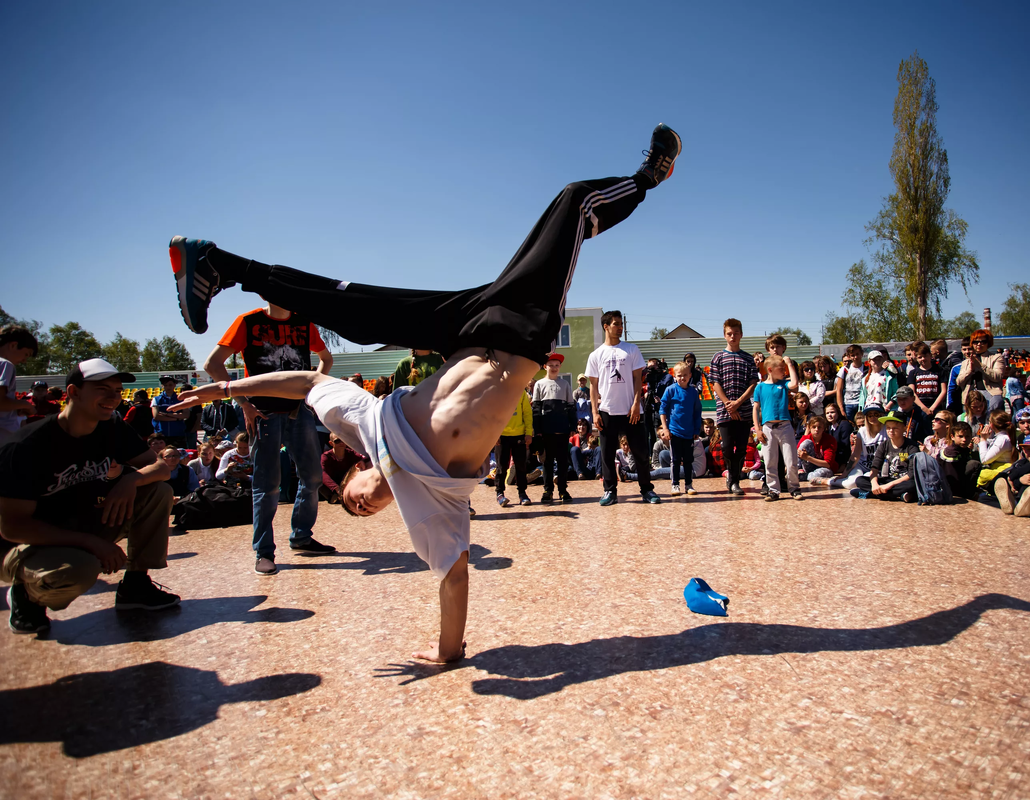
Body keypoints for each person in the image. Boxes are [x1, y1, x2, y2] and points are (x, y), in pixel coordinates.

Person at [166, 123, 682, 660]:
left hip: (465, 328)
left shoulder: (364, 423)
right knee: (574, 204)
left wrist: (223, 388)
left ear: (355, 471)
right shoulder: (430, 507)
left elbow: (306, 381)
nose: (365, 503)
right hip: (519, 332)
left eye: (353, 497)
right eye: (365, 513)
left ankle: (218, 265)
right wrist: (448, 653)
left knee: (355, 308)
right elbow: (455, 577)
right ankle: (651, 176)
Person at [0, 358, 180, 635]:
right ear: (73, 392)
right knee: (78, 571)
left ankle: (136, 586)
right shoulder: (26, 446)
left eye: (118, 390)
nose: (113, 397)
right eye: (103, 388)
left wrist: (132, 479)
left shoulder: (112, 427)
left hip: (83, 522)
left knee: (157, 490)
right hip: (29, 542)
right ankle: (27, 594)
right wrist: (92, 543)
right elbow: (13, 527)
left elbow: (160, 468)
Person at [204, 298, 337, 575]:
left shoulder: (303, 321)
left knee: (312, 476)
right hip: (263, 412)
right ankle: (263, 552)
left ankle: (301, 536)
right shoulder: (248, 322)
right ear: (264, 294)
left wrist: (311, 393)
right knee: (267, 485)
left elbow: (327, 359)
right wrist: (243, 402)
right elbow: (213, 364)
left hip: (298, 410)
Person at [585, 311, 660, 506]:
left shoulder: (631, 350)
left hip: (631, 411)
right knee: (607, 455)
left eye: (621, 324)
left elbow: (638, 379)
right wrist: (594, 412)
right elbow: (593, 387)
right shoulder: (596, 355)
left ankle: (646, 490)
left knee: (641, 453)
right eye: (616, 324)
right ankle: (610, 491)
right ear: (606, 326)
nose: (620, 327)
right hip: (607, 411)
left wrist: (636, 404)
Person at [709, 318, 758, 495]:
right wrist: (729, 405)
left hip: (743, 410)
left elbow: (753, 383)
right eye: (729, 333)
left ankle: (735, 480)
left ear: (741, 334)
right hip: (725, 411)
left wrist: (738, 403)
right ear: (724, 335)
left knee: (743, 447)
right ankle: (732, 475)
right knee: (727, 447)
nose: (733, 336)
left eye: (736, 333)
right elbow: (715, 382)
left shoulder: (748, 358)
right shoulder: (718, 357)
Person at [752, 355, 801, 501]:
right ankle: (773, 490)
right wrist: (758, 428)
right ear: (770, 370)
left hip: (785, 425)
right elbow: (756, 409)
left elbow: (794, 384)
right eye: (781, 369)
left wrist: (789, 363)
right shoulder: (760, 387)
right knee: (770, 461)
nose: (784, 372)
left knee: (791, 460)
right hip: (768, 428)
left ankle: (794, 488)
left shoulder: (783, 384)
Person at [531, 353, 575, 504]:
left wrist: (573, 425)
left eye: (557, 365)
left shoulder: (565, 384)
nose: (554, 368)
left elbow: (570, 406)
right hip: (546, 430)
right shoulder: (539, 384)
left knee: (563, 462)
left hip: (562, 429)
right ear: (545, 366)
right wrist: (537, 430)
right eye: (551, 365)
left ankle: (562, 489)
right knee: (547, 462)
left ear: (560, 367)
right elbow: (536, 409)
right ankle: (547, 490)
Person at [851, 414, 919, 502]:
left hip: (902, 481)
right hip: (888, 479)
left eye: (895, 428)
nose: (891, 430)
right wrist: (874, 484)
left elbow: (911, 474)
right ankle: (899, 495)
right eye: (888, 427)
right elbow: (875, 468)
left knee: (912, 485)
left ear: (904, 428)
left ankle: (871, 494)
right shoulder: (884, 445)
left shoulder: (912, 447)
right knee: (860, 480)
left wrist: (889, 485)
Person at [659, 361, 703, 496]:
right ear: (674, 375)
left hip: (689, 432)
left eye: (685, 375)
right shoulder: (670, 390)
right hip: (675, 432)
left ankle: (689, 485)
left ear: (690, 375)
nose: (682, 378)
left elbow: (697, 413)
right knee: (675, 460)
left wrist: (696, 430)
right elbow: (663, 410)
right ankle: (675, 484)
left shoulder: (693, 392)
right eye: (679, 375)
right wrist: (665, 429)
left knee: (689, 460)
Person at [495, 383, 534, 508]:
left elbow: (527, 413)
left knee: (520, 466)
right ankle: (500, 493)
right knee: (501, 467)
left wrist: (528, 433)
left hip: (519, 435)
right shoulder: (497, 393)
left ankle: (522, 493)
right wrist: (494, 434)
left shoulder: (521, 392)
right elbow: (492, 414)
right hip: (501, 436)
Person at [0, 326, 38, 446]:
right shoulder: (5, 364)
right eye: (26, 354)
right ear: (13, 345)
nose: (24, 360)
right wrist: (26, 405)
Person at [955, 330, 1006, 414]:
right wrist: (970, 371)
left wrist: (980, 366)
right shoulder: (966, 362)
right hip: (970, 397)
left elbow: (997, 377)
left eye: (983, 342)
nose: (979, 344)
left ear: (988, 343)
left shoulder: (996, 357)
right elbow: (959, 382)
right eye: (976, 342)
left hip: (990, 395)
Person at [320, 433, 368, 504]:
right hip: (333, 486)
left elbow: (366, 459)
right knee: (317, 479)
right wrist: (335, 488)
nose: (341, 443)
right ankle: (335, 497)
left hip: (347, 483)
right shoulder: (326, 457)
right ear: (331, 443)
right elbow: (322, 473)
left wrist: (363, 461)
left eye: (343, 440)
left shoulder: (351, 453)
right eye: (337, 441)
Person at [975, 410, 1015, 490]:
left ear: (992, 425)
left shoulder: (1003, 440)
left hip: (1002, 471)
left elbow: (985, 460)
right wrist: (982, 442)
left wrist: (983, 439)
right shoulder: (1002, 437)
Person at [938, 421, 979, 499]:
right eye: (960, 436)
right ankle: (969, 494)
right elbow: (952, 477)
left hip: (958, 482)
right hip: (949, 487)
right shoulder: (951, 452)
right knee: (974, 464)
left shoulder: (964, 450)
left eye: (967, 436)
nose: (964, 439)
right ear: (952, 437)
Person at [796, 416, 838, 483]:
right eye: (814, 427)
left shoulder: (830, 440)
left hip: (824, 468)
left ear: (823, 428)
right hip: (808, 466)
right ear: (809, 428)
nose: (816, 429)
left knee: (823, 473)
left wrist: (807, 458)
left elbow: (827, 464)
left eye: (819, 427)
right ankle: (794, 471)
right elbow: (797, 454)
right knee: (806, 442)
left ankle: (802, 476)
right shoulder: (806, 438)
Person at [150, 377, 188, 446]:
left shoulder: (181, 399)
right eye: (165, 385)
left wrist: (166, 414)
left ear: (174, 385)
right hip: (161, 435)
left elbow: (186, 414)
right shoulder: (156, 399)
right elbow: (156, 416)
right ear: (162, 386)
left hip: (178, 434)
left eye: (170, 385)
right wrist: (177, 418)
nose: (168, 387)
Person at [910, 342, 946, 416]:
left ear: (930, 355)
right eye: (920, 357)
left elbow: (944, 391)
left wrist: (932, 408)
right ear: (916, 358)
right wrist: (923, 408)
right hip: (919, 409)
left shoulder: (940, 371)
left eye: (925, 356)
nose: (923, 359)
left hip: (936, 408)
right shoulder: (913, 373)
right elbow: (912, 392)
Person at [834, 345, 864, 421]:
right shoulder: (845, 369)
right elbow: (839, 390)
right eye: (853, 355)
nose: (855, 357)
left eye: (857, 354)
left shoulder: (867, 369)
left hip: (861, 403)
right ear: (849, 356)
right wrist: (841, 408)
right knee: (849, 426)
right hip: (848, 404)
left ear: (862, 354)